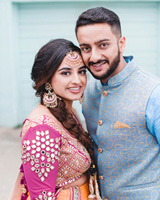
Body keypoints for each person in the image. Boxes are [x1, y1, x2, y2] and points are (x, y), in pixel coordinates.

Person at [75, 7, 160, 200]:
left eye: (103, 45)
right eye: (86, 48)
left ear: (121, 43)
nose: (94, 57)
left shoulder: (158, 95)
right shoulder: (89, 92)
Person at [9, 39, 102, 200]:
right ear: (47, 79)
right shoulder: (41, 127)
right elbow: (41, 196)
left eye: (81, 71)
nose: (77, 80)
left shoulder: (68, 112)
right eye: (65, 73)